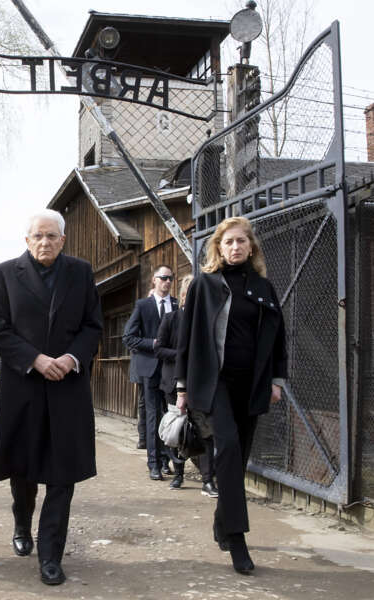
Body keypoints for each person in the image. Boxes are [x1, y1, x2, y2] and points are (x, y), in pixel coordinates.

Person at [0, 209, 102, 586]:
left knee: (61, 474)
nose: (45, 242)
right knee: (23, 470)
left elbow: (92, 325)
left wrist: (70, 358)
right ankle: (22, 521)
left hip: (67, 388)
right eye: (38, 236)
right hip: (24, 387)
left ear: (63, 240)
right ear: (27, 240)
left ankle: (51, 555)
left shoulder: (80, 273)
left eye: (52, 236)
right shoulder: (3, 275)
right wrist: (34, 359)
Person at [175, 216, 287, 574]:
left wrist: (276, 381)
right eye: (228, 242)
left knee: (237, 462)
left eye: (241, 241)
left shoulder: (263, 288)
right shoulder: (204, 285)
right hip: (213, 383)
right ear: (218, 249)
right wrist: (181, 387)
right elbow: (186, 340)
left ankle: (222, 521)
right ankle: (238, 541)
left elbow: (278, 338)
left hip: (251, 384)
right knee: (228, 447)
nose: (235, 247)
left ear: (251, 246)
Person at [154, 274, 216, 492]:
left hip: (201, 386)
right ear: (183, 295)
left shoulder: (208, 322)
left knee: (206, 432)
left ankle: (208, 480)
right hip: (173, 384)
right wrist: (183, 355)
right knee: (177, 431)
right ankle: (178, 475)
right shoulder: (171, 319)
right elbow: (159, 348)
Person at [123, 265, 177, 481]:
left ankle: (166, 461)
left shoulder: (176, 305)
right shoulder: (143, 305)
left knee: (171, 414)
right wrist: (153, 343)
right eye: (163, 278)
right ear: (154, 280)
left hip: (171, 368)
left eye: (170, 278)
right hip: (150, 368)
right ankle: (153, 463)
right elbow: (129, 337)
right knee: (153, 415)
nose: (167, 282)